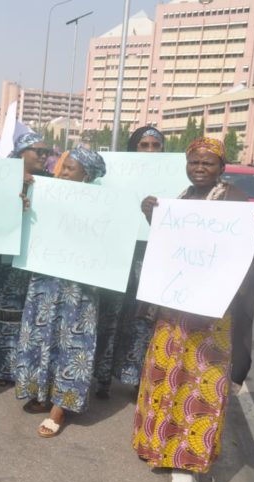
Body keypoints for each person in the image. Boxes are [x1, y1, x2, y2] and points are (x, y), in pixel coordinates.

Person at [133, 137, 254, 472]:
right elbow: (173, 247)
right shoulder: (180, 199)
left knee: (199, 380)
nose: (199, 169)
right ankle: (155, 444)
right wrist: (153, 215)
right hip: (174, 309)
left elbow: (243, 251)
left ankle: (190, 454)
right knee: (164, 374)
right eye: (194, 162)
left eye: (207, 163)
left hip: (211, 315)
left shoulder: (235, 200)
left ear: (222, 168)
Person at [14, 145, 107, 437]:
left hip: (78, 285)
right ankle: (44, 391)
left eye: (70, 169)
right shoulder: (47, 192)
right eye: (63, 167)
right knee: (42, 333)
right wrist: (23, 198)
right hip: (45, 278)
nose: (62, 172)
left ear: (86, 175)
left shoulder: (102, 203)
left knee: (72, 339)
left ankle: (61, 406)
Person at [94, 126, 165, 399]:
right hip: (118, 251)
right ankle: (102, 379)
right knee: (111, 314)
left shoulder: (174, 179)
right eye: (143, 145)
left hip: (151, 253)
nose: (149, 150)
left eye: (155, 145)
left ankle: (136, 379)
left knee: (143, 318)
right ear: (133, 147)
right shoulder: (115, 174)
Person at [0, 133, 45, 386]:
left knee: (15, 310)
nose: (44, 157)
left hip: (23, 255)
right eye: (39, 151)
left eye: (46, 153)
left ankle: (10, 366)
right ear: (21, 152)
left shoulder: (50, 184)